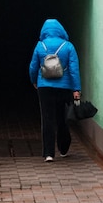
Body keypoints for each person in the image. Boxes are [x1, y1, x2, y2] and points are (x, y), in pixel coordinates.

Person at [29, 19, 81, 162]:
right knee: (62, 118)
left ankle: (48, 153)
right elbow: (74, 69)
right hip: (64, 87)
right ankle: (63, 148)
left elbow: (33, 66)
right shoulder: (68, 46)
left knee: (47, 120)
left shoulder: (40, 46)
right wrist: (76, 89)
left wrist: (34, 80)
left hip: (44, 87)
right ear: (61, 30)